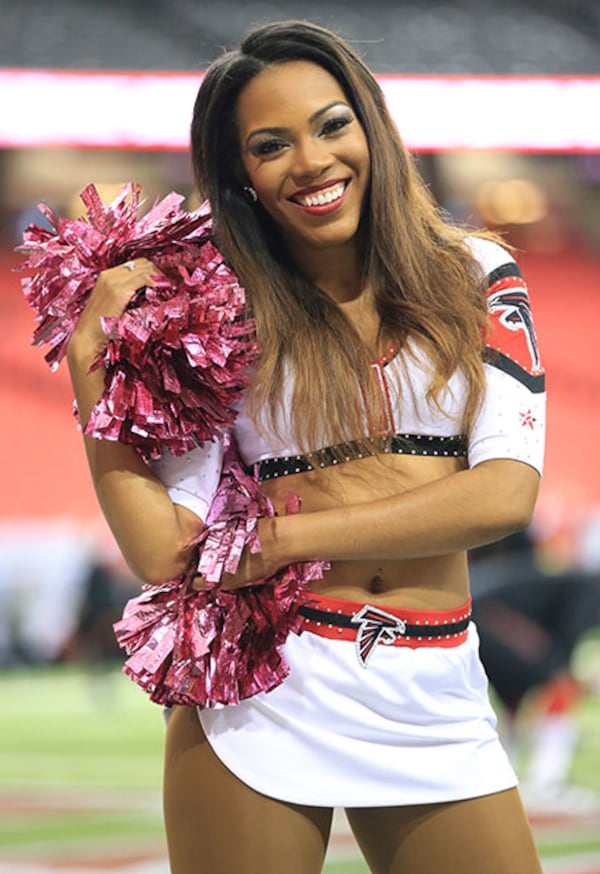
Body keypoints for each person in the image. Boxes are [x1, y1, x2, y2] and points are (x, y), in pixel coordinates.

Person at [65, 19, 546, 874]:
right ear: (240, 172)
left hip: (436, 687)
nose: (312, 161)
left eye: (332, 125)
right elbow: (160, 548)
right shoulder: (213, 316)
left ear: (371, 125)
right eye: (270, 144)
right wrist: (88, 370)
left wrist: (283, 538)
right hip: (267, 686)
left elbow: (503, 495)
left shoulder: (476, 274)